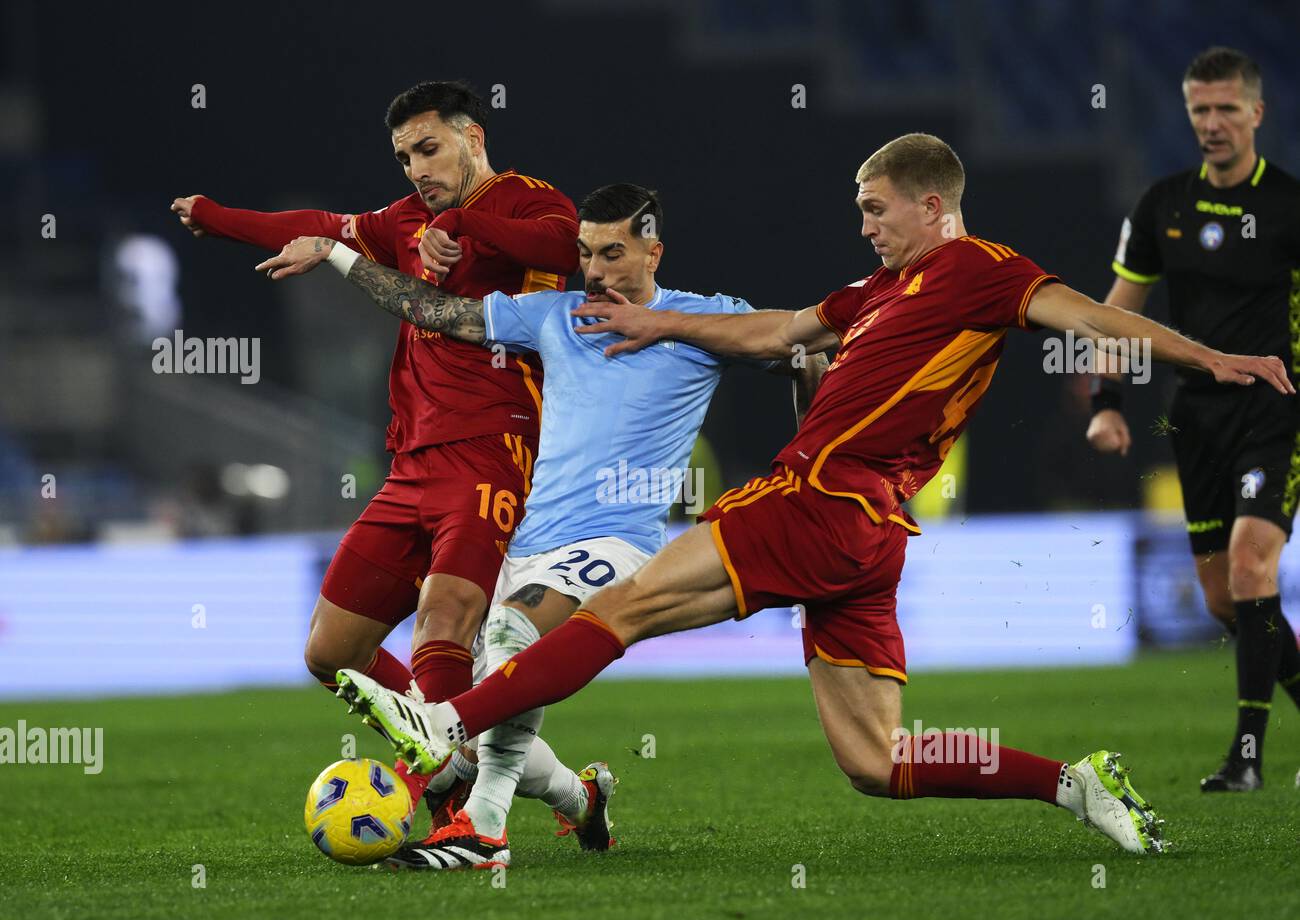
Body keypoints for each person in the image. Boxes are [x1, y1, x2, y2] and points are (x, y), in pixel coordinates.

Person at [334, 133, 1292, 856]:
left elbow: (1083, 315)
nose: (866, 226)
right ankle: (1073, 784)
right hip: (869, 535)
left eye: (877, 210)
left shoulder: (978, 268)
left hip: (819, 496)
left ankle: (449, 724)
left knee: (621, 608)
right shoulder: (873, 294)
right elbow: (779, 331)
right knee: (876, 763)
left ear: (931, 203)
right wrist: (657, 321)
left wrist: (1209, 358)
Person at [257, 182, 821, 867]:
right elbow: (436, 311)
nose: (597, 270)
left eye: (614, 253)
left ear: (654, 252)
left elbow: (803, 346)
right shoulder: (553, 315)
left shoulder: (704, 320)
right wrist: (338, 253)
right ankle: (582, 801)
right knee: (483, 705)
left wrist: (808, 464)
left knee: (507, 636)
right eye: (586, 253)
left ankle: (483, 832)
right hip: (528, 539)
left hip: (616, 542)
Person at [171, 81, 578, 808]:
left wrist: (466, 223)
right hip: (411, 463)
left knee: (444, 621)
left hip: (493, 449)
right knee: (331, 653)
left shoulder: (525, 200)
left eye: (429, 148)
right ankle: (539, 785)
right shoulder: (405, 223)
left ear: (473, 138)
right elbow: (321, 224)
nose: (416, 168)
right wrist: (219, 219)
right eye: (403, 158)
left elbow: (560, 244)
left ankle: (466, 820)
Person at [1089, 47, 1300, 792]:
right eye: (1199, 111)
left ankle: (1247, 755)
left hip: (1278, 415)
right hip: (1197, 420)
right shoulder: (1161, 206)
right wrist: (1107, 404)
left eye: (1225, 110)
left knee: (1250, 565)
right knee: (1223, 597)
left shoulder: (1290, 207)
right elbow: (1115, 314)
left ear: (1256, 114)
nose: (1212, 124)